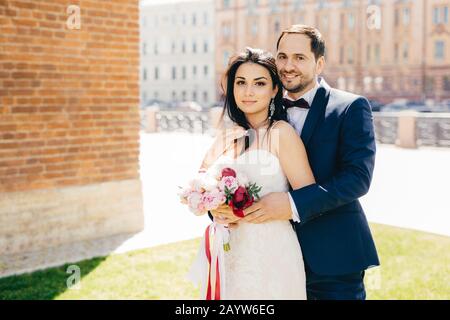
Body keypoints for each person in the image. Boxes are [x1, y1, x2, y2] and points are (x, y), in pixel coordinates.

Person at [212, 25, 380, 300]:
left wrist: (291, 204)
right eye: (282, 56)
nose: (289, 66)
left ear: (319, 63)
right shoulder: (259, 111)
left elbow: (357, 179)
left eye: (300, 58)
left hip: (331, 255)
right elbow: (235, 172)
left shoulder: (350, 107)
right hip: (272, 257)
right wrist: (219, 208)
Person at [189, 47, 316, 299]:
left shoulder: (281, 133)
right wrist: (214, 207)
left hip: (271, 251)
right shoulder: (226, 136)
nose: (248, 91)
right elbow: (201, 183)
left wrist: (281, 206)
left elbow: (310, 197)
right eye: (241, 82)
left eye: (259, 83)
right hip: (228, 250)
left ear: (274, 90)